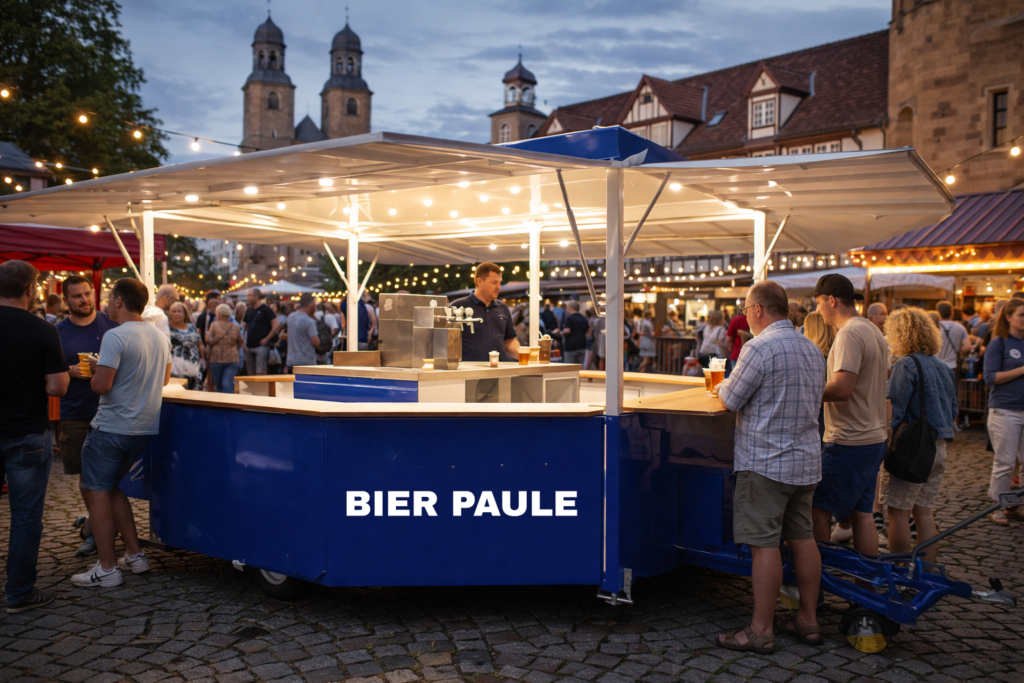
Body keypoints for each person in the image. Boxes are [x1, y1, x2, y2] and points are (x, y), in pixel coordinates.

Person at [716, 281, 825, 654]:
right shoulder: (812, 348)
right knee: (803, 539)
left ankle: (761, 630)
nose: (746, 316)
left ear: (758, 309)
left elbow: (731, 399)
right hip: (805, 461)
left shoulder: (758, 348)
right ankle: (808, 619)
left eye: (746, 310)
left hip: (765, 462)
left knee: (764, 546)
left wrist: (720, 386)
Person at [73, 278, 171, 587]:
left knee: (96, 491)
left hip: (111, 427)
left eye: (109, 296)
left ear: (119, 301)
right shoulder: (159, 336)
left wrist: (95, 370)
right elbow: (164, 379)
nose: (105, 302)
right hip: (143, 429)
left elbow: (101, 386)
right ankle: (135, 555)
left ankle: (107, 569)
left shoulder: (115, 336)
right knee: (112, 488)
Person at [0, 261, 70, 612]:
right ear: (30, 289)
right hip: (27, 431)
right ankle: (19, 592)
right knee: (26, 518)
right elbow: (58, 387)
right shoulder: (43, 330)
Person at [810, 273, 890, 557]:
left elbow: (842, 389)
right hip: (872, 436)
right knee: (861, 514)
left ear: (831, 300)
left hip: (849, 439)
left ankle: (818, 576)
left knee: (817, 510)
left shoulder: (848, 333)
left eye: (818, 303)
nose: (818, 310)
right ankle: (865, 579)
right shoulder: (871, 329)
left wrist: (804, 391)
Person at [881, 308, 957, 560]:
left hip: (912, 449)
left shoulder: (905, 364)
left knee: (898, 512)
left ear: (899, 334)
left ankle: (900, 570)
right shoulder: (943, 366)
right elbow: (953, 410)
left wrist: (885, 443)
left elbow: (895, 411)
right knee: (923, 512)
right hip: (939, 446)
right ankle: (927, 571)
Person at [55, 275, 118, 556]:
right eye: (77, 296)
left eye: (87, 293)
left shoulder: (111, 324)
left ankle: (95, 527)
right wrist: (69, 371)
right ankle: (95, 527)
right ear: (66, 300)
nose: (84, 300)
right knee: (85, 477)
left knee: (110, 476)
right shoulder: (58, 332)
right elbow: (47, 371)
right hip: (75, 412)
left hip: (110, 410)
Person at [983, 298, 1024, 525]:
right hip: (1005, 410)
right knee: (1006, 462)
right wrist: (1021, 370)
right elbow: (990, 378)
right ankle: (998, 507)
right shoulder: (998, 343)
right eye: (1021, 315)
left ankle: (1014, 505)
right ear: (1008, 317)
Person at [450, 262, 520, 362]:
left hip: (499, 367)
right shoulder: (457, 307)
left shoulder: (503, 308)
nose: (499, 287)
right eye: (494, 282)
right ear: (479, 282)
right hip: (469, 369)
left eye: (500, 282)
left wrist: (524, 354)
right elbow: (446, 343)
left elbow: (510, 341)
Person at [205, 304, 244, 393]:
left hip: (216, 359)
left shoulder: (214, 325)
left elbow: (207, 339)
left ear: (218, 314)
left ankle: (222, 401)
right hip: (232, 358)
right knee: (227, 385)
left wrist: (214, 340)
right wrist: (234, 349)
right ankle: (227, 401)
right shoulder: (235, 326)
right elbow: (240, 341)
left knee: (220, 386)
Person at [243, 288, 282, 375]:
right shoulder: (249, 310)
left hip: (261, 346)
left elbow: (277, 324)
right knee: (250, 373)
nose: (247, 298)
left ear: (256, 297)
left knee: (260, 372)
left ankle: (261, 385)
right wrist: (243, 341)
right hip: (249, 345)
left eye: (250, 295)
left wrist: (267, 338)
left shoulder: (266, 309)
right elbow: (243, 324)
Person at [168, 300, 204, 390]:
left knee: (193, 391)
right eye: (174, 311)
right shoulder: (167, 328)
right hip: (175, 367)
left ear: (185, 314)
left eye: (179, 311)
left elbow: (199, 343)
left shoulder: (192, 327)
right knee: (177, 391)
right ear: (170, 314)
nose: (176, 314)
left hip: (193, 365)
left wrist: (203, 359)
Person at [286, 294, 321, 370]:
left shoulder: (291, 316)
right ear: (311, 305)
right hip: (306, 362)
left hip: (292, 361)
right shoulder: (309, 321)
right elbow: (316, 343)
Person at [936, 300, 969, 376]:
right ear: (952, 312)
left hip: (937, 366)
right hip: (953, 366)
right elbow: (968, 348)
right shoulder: (960, 327)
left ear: (938, 313)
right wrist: (962, 352)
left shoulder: (934, 327)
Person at [725, 310, 750, 377]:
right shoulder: (755, 318)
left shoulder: (736, 319)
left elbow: (729, 339)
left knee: (735, 377)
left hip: (737, 353)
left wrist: (729, 352)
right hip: (752, 353)